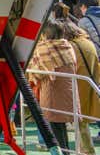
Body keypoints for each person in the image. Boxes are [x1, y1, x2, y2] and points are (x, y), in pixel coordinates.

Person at [29, 18, 78, 151]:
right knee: (61, 125)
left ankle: (63, 152)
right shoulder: (68, 46)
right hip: (68, 91)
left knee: (54, 125)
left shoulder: (43, 48)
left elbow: (37, 74)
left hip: (52, 91)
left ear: (46, 33)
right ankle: (65, 150)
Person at [64, 20, 100, 154]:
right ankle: (85, 151)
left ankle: (87, 151)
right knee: (82, 122)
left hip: (77, 87)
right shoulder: (87, 42)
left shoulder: (72, 46)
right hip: (89, 84)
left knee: (80, 123)